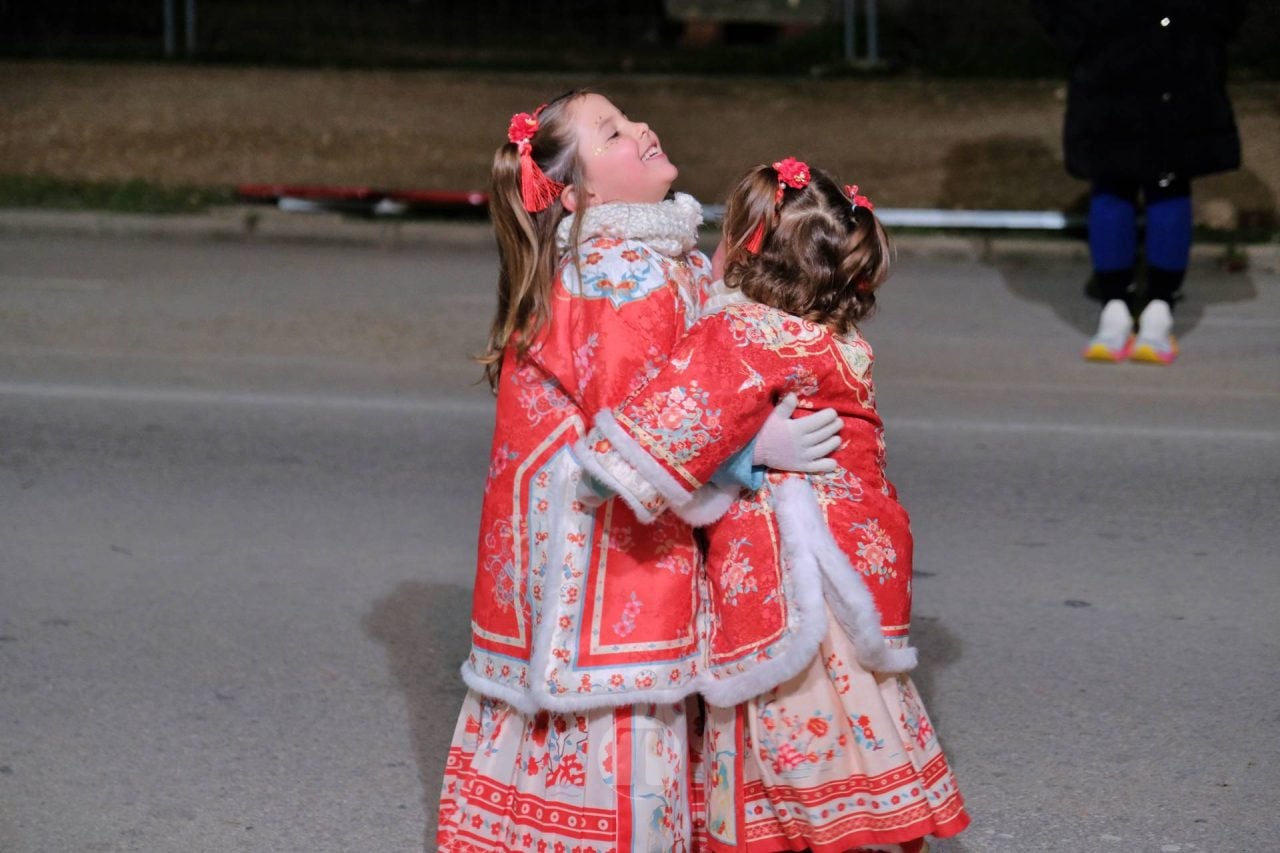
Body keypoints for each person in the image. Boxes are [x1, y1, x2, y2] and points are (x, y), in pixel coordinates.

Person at [437, 93, 837, 852]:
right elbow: (643, 424)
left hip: (595, 539)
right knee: (619, 729)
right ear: (579, 194)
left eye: (628, 117)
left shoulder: (652, 257)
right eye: (613, 132)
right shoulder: (618, 276)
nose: (642, 126)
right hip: (596, 554)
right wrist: (751, 449)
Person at [575, 159, 970, 853]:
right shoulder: (842, 341)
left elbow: (650, 444)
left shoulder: (744, 334)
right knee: (859, 717)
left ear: (748, 246)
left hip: (792, 573)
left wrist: (598, 468)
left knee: (792, 726)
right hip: (854, 560)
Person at [1031, 0, 1247, 364]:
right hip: (1144, 56)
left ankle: (1132, 310)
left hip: (1146, 55)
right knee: (1150, 180)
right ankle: (1144, 309)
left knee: (1127, 180)